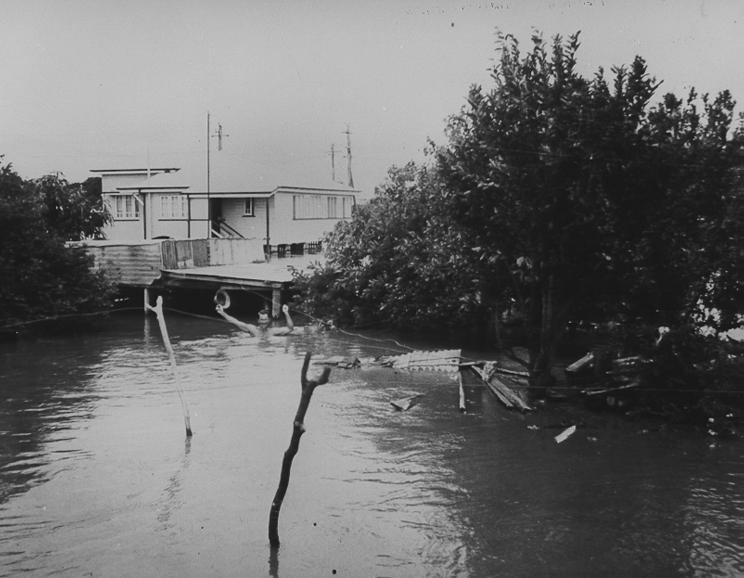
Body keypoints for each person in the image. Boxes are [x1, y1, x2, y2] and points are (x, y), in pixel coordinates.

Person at [216, 303, 295, 337]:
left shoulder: (273, 331)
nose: (263, 322)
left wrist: (286, 313)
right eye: (262, 320)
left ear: (269, 321)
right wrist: (222, 313)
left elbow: (290, 328)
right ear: (258, 321)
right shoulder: (252, 329)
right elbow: (235, 322)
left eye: (265, 320)